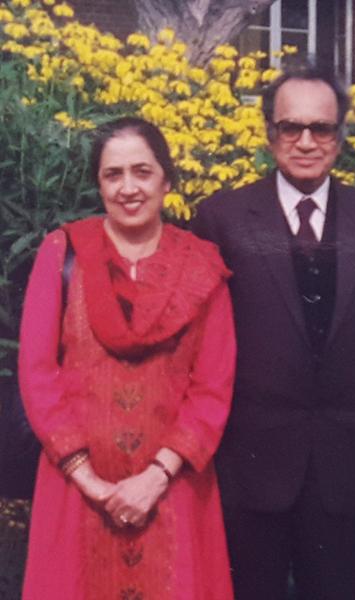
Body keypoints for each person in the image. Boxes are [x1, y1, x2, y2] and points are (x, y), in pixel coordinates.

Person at [192, 62, 355, 600]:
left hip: (342, 465)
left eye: (322, 128)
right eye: (292, 127)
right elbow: (204, 346)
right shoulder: (220, 218)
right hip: (252, 464)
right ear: (270, 133)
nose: (306, 141)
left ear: (340, 137)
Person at [17, 117, 236, 599]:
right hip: (76, 492)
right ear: (98, 184)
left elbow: (213, 385)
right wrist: (90, 480)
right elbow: (37, 374)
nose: (128, 188)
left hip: (173, 490)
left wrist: (155, 478)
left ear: (167, 180)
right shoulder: (63, 254)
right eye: (113, 175)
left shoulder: (200, 267)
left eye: (142, 171)